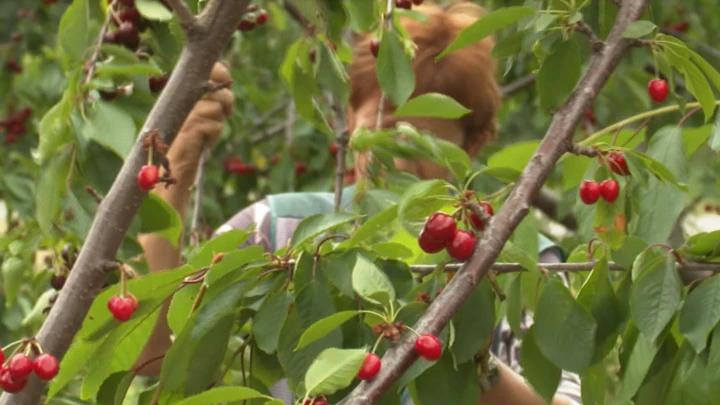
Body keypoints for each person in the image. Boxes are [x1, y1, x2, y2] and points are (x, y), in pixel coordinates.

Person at [135, 2, 583, 404]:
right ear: (352, 120)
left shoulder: (516, 259)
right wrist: (175, 173)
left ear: (472, 143)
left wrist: (461, 348)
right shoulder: (276, 229)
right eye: (386, 126)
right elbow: (156, 357)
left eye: (425, 139)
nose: (399, 155)